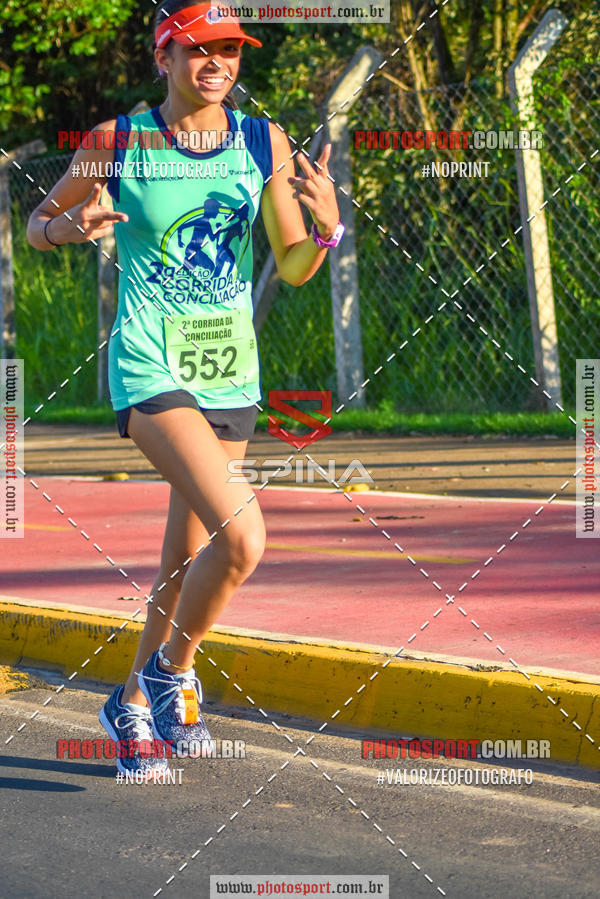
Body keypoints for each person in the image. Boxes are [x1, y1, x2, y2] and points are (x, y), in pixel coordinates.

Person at [27, 0, 343, 776]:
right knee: (244, 538)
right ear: (164, 56)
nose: (218, 65)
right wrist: (71, 228)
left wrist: (326, 228)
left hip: (230, 367)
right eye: (200, 49)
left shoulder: (259, 139)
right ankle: (173, 670)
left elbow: (293, 264)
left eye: (231, 51)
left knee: (185, 550)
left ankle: (132, 703)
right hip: (149, 362)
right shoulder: (120, 140)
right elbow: (38, 223)